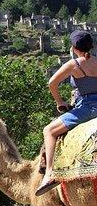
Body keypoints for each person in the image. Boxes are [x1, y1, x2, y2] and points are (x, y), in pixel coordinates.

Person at [35, 30, 97, 196]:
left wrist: (59, 102)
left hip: (86, 108)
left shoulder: (74, 64)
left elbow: (52, 83)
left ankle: (49, 173)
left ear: (74, 48)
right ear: (91, 46)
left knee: (48, 131)